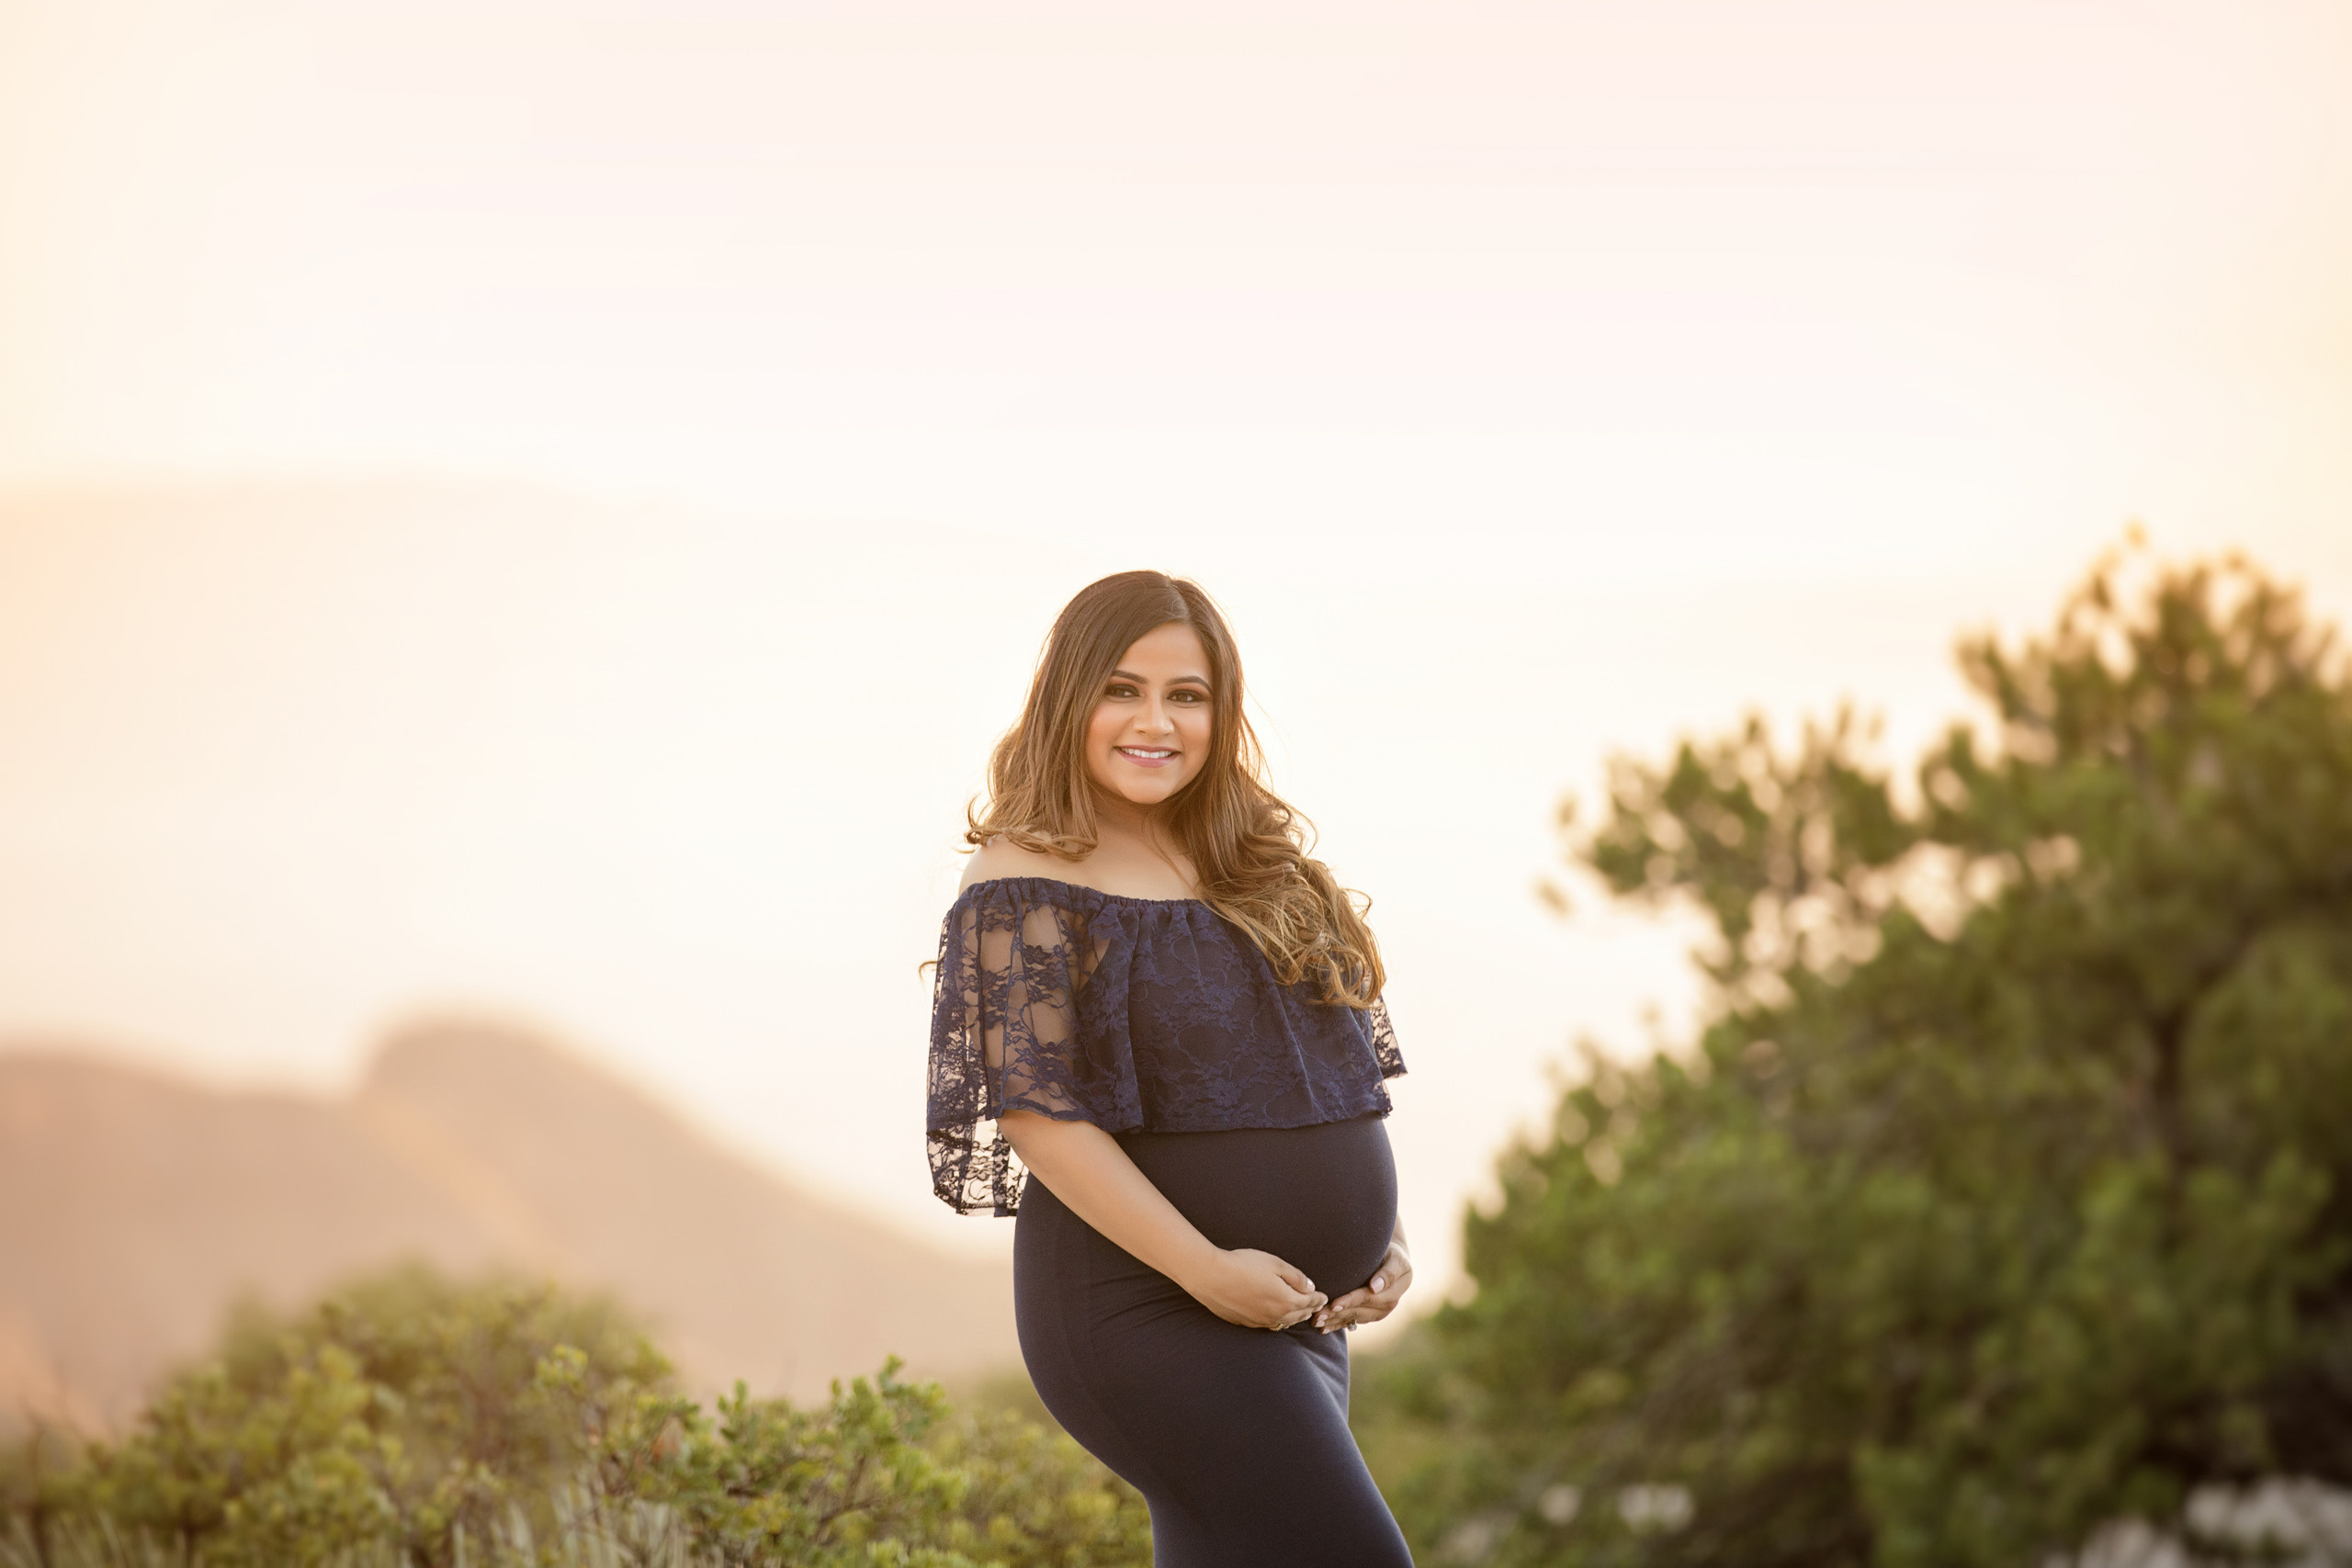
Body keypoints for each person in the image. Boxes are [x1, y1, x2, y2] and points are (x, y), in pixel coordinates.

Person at [925, 570, 1416, 1565]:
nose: (1155, 722)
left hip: (1297, 1314)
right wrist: (1206, 1274)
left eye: (1185, 696)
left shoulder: (1259, 863)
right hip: (1144, 1305)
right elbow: (1040, 1117)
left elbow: (1335, 1073)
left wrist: (1384, 1240)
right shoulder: (1027, 875)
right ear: (1070, 700)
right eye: (1122, 689)